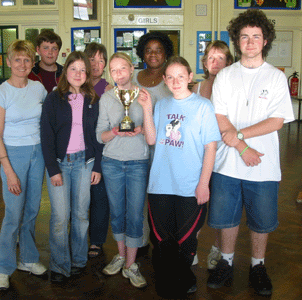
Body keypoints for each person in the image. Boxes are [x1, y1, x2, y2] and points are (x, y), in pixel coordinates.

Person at [206, 9, 294, 296]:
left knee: (261, 220)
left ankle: (258, 265)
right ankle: (226, 262)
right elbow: (220, 117)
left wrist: (240, 135)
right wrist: (242, 147)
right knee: (226, 218)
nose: (250, 41)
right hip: (227, 163)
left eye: (256, 36)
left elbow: (276, 121)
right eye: (244, 36)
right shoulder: (225, 76)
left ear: (265, 40)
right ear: (237, 41)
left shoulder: (276, 78)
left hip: (263, 165)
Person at [138, 56, 220, 297]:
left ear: (190, 77)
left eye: (180, 76)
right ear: (164, 79)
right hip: (161, 184)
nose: (175, 81)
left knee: (186, 239)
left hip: (190, 186)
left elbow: (211, 147)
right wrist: (146, 108)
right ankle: (165, 278)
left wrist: (204, 184)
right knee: (161, 239)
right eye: (170, 77)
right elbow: (152, 139)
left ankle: (185, 276)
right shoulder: (162, 104)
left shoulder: (203, 106)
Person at [40, 51, 103, 283]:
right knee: (59, 216)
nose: (78, 73)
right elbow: (46, 136)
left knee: (80, 214)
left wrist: (97, 165)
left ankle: (78, 260)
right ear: (66, 71)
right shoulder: (54, 98)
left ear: (87, 74)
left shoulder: (92, 100)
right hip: (60, 164)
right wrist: (53, 170)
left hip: (84, 164)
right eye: (73, 68)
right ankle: (59, 265)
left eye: (82, 70)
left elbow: (96, 137)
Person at [0, 39, 48, 291]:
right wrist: (9, 170)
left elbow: (50, 119)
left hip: (38, 154)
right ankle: (3, 268)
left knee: (32, 211)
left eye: (27, 59)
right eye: (17, 59)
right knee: (13, 214)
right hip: (13, 154)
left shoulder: (38, 89)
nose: (22, 64)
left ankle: (28, 259)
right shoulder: (0, 92)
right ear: (8, 62)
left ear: (32, 63)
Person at [96, 52, 149, 288]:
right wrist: (116, 130)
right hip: (112, 162)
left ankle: (131, 264)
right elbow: (100, 135)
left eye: (122, 69)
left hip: (138, 161)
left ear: (132, 69)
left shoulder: (145, 96)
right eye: (114, 70)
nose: (118, 74)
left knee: (135, 214)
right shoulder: (106, 98)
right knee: (117, 212)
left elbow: (152, 133)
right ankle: (120, 255)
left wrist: (142, 127)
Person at [192, 40, 234, 270]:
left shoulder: (233, 87)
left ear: (228, 62)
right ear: (205, 63)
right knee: (195, 205)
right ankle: (192, 246)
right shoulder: (197, 88)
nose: (215, 62)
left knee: (220, 207)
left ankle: (218, 248)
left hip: (225, 157)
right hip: (200, 158)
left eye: (220, 58)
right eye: (211, 58)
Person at [134, 30, 174, 256]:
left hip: (162, 148)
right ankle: (139, 240)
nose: (153, 54)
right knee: (139, 196)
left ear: (166, 53)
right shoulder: (134, 78)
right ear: (142, 53)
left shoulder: (171, 79)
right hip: (136, 146)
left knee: (159, 197)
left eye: (158, 50)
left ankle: (160, 238)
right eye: (148, 50)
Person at [84, 42, 113, 259]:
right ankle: (76, 236)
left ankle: (96, 240)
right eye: (92, 59)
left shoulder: (110, 89)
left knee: (99, 197)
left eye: (101, 60)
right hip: (78, 151)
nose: (96, 64)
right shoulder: (76, 84)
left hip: (101, 150)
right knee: (78, 199)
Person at [28, 29, 63, 94]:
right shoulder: (30, 73)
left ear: (58, 51)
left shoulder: (65, 74)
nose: (50, 52)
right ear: (38, 50)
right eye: (46, 48)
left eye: (54, 49)